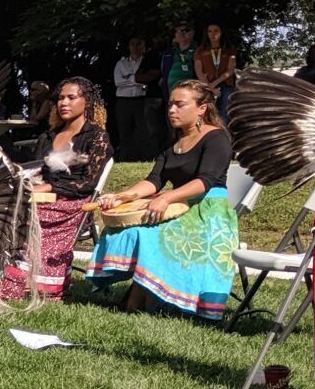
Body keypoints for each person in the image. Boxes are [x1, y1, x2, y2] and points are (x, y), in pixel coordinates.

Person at [87, 79, 237, 320]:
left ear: (202, 108)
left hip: (208, 212)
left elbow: (205, 181)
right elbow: (153, 181)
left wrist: (167, 198)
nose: (171, 110)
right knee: (124, 230)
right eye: (170, 105)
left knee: (147, 234)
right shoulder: (174, 143)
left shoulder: (217, 138)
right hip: (177, 205)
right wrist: (121, 196)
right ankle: (143, 298)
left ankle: (139, 302)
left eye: (180, 105)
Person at [0, 77, 111, 301]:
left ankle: (29, 282)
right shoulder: (48, 136)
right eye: (60, 98)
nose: (63, 103)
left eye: (71, 97)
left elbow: (88, 182)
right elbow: (36, 169)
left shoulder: (96, 137)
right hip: (41, 196)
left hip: (72, 204)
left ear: (86, 102)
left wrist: (50, 187)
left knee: (24, 214)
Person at [112, 37, 154, 160]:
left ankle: (142, 157)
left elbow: (149, 80)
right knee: (124, 130)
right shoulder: (121, 63)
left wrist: (130, 79)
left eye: (139, 44)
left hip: (140, 100)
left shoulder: (146, 62)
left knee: (142, 129)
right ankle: (125, 158)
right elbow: (118, 82)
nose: (135, 47)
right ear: (129, 47)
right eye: (132, 44)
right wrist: (138, 81)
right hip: (123, 101)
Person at [195, 23, 238, 119]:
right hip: (206, 86)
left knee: (223, 117)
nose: (213, 34)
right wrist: (210, 88)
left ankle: (223, 133)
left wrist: (214, 84)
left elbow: (230, 70)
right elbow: (199, 71)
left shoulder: (229, 50)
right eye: (210, 31)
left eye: (216, 31)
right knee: (206, 116)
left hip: (225, 85)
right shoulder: (200, 50)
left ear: (221, 33)